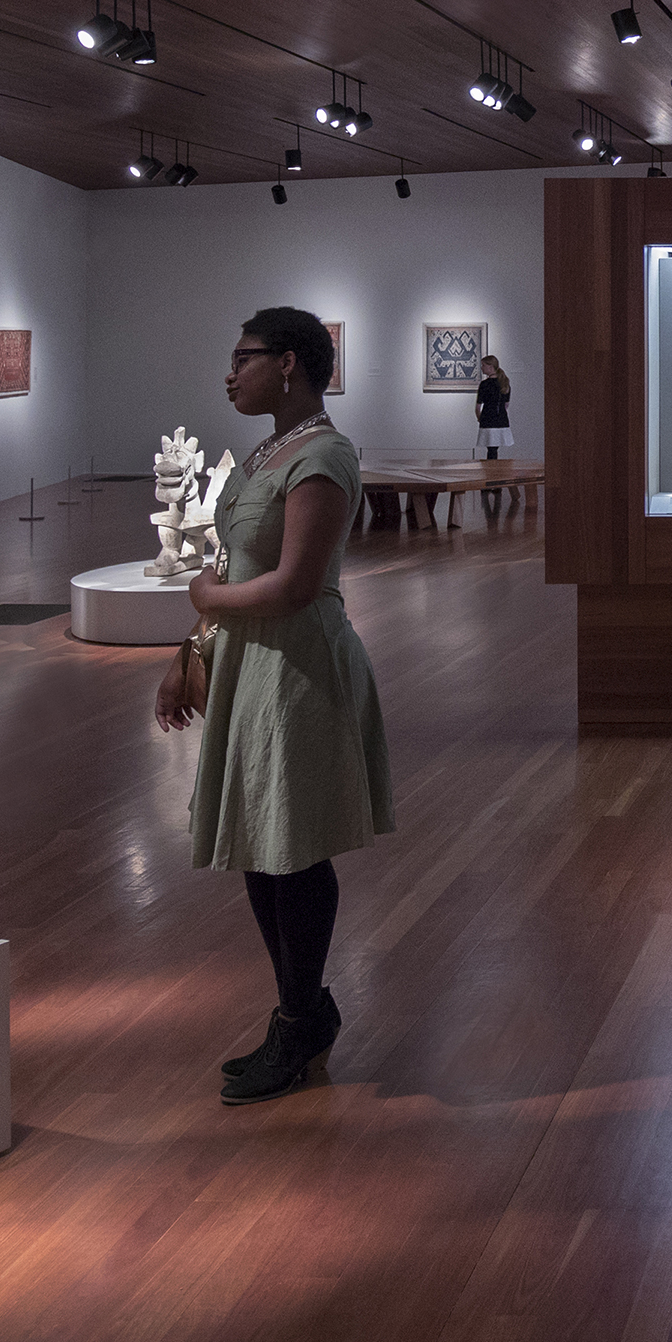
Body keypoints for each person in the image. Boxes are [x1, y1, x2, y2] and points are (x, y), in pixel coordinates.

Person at [158, 308, 393, 1103]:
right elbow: (239, 558)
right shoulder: (267, 451)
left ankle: (299, 1018)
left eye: (243, 359)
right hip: (250, 658)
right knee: (263, 844)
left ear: (287, 364)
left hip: (297, 666)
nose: (230, 373)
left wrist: (206, 594)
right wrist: (192, 645)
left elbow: (294, 584)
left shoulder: (323, 455)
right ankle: (303, 1010)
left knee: (292, 847)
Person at [472, 353, 515, 522]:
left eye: (483, 365)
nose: (482, 368)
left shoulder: (485, 384)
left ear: (490, 367)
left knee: (491, 451)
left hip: (489, 420)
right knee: (494, 450)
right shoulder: (505, 382)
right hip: (501, 420)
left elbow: (477, 406)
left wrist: (479, 418)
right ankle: (495, 482)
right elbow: (506, 404)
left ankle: (491, 482)